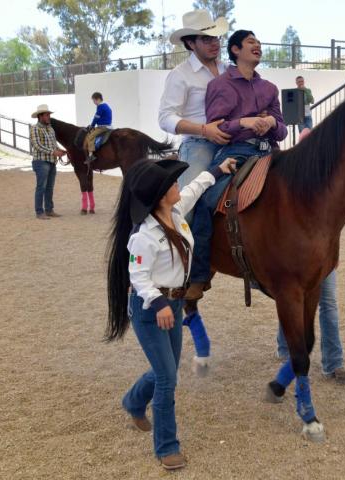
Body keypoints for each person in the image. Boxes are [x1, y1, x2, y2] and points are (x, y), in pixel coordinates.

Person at [105, 156, 236, 471]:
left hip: (174, 305)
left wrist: (216, 171)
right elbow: (138, 277)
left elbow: (194, 188)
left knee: (167, 368)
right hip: (151, 309)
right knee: (167, 378)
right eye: (172, 183)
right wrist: (158, 302)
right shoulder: (143, 237)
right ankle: (167, 446)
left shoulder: (176, 213)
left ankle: (134, 401)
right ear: (162, 194)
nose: (178, 185)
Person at [187, 29, 288, 299]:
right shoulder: (220, 85)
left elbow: (282, 131)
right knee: (205, 202)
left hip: (272, 151)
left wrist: (271, 123)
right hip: (237, 151)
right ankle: (198, 275)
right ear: (235, 50)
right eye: (251, 42)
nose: (257, 45)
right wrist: (244, 121)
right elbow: (216, 127)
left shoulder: (269, 88)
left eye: (259, 41)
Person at [159, 9, 231, 189]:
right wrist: (204, 130)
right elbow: (165, 117)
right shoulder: (180, 75)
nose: (214, 43)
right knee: (189, 201)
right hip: (199, 144)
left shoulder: (229, 70)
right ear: (191, 43)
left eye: (216, 37)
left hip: (233, 139)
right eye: (207, 39)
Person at [276, 270, 345, 382]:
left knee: (329, 304)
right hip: (295, 259)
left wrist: (334, 256)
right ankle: (285, 349)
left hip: (324, 260)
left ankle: (333, 364)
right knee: (292, 301)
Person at [29, 104, 67, 219]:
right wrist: (53, 152)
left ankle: (49, 210)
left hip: (51, 161)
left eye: (49, 115)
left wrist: (60, 150)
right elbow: (37, 146)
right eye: (47, 115)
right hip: (40, 162)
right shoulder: (35, 128)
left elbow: (53, 144)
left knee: (49, 187)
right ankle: (39, 212)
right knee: (41, 187)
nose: (49, 117)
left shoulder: (50, 129)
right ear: (40, 116)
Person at [84, 92, 113, 165]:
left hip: (102, 127)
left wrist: (92, 125)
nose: (93, 102)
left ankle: (91, 155)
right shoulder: (106, 105)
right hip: (108, 126)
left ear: (98, 99)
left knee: (90, 137)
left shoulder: (100, 107)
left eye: (94, 100)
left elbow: (96, 117)